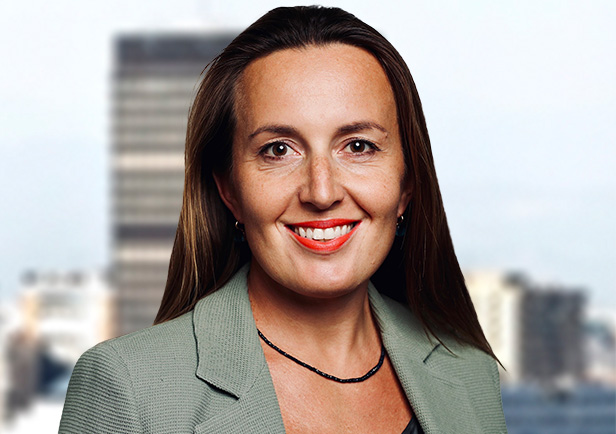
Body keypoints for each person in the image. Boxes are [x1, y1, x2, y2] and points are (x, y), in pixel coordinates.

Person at [60, 6, 507, 434]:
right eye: (278, 150)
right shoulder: (129, 387)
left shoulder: (469, 373)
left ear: (406, 183)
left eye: (358, 146)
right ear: (230, 191)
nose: (322, 192)